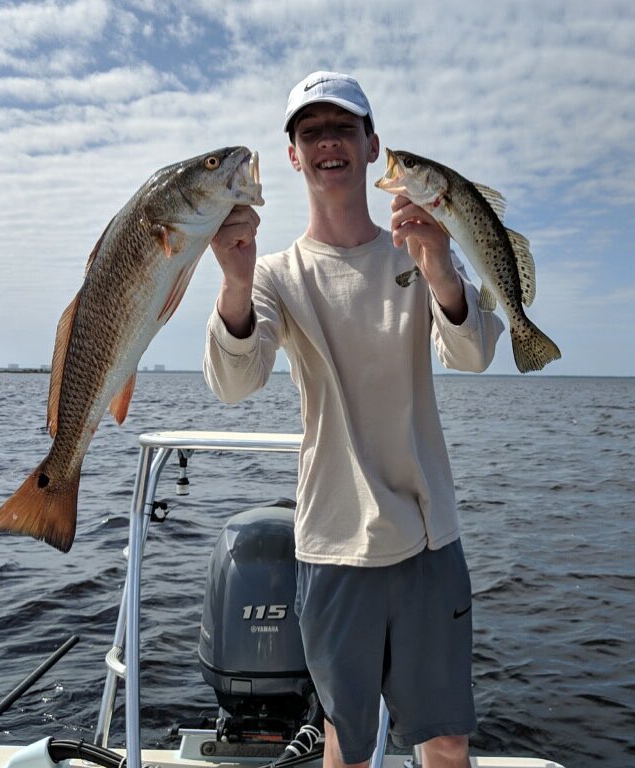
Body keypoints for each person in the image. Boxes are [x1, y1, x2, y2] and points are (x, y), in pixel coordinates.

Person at [204, 71, 505, 768]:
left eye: (343, 129)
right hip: (333, 544)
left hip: (431, 541)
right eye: (311, 132)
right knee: (345, 740)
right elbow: (234, 382)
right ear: (292, 155)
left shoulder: (420, 241)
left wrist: (442, 273)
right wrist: (235, 280)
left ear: (374, 147)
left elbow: (473, 353)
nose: (328, 144)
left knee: (449, 740)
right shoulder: (276, 272)